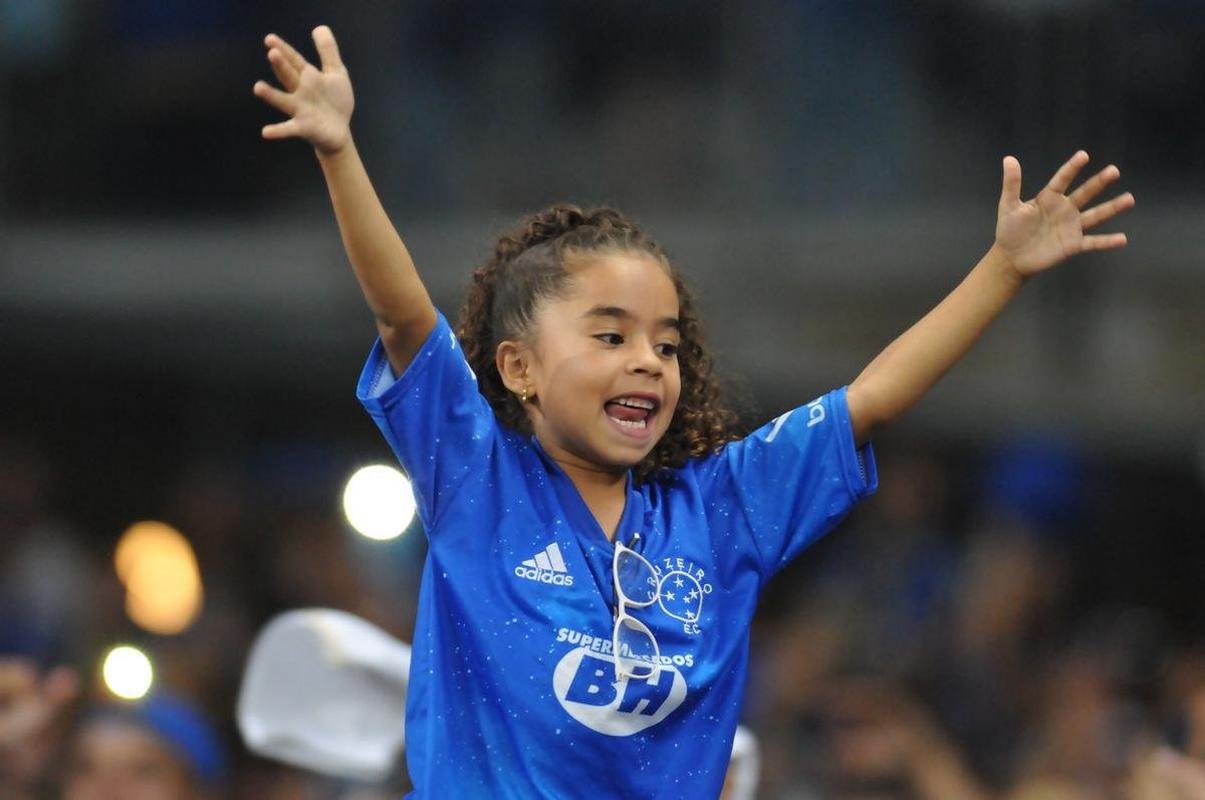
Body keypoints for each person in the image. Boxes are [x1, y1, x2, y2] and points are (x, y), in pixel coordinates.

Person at [251, 25, 1133, 799]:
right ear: (516, 367)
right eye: (609, 335)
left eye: (666, 344)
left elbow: (872, 398)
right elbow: (405, 316)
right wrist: (338, 150)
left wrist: (1001, 269)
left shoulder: (722, 511)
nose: (647, 360)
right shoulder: (472, 478)